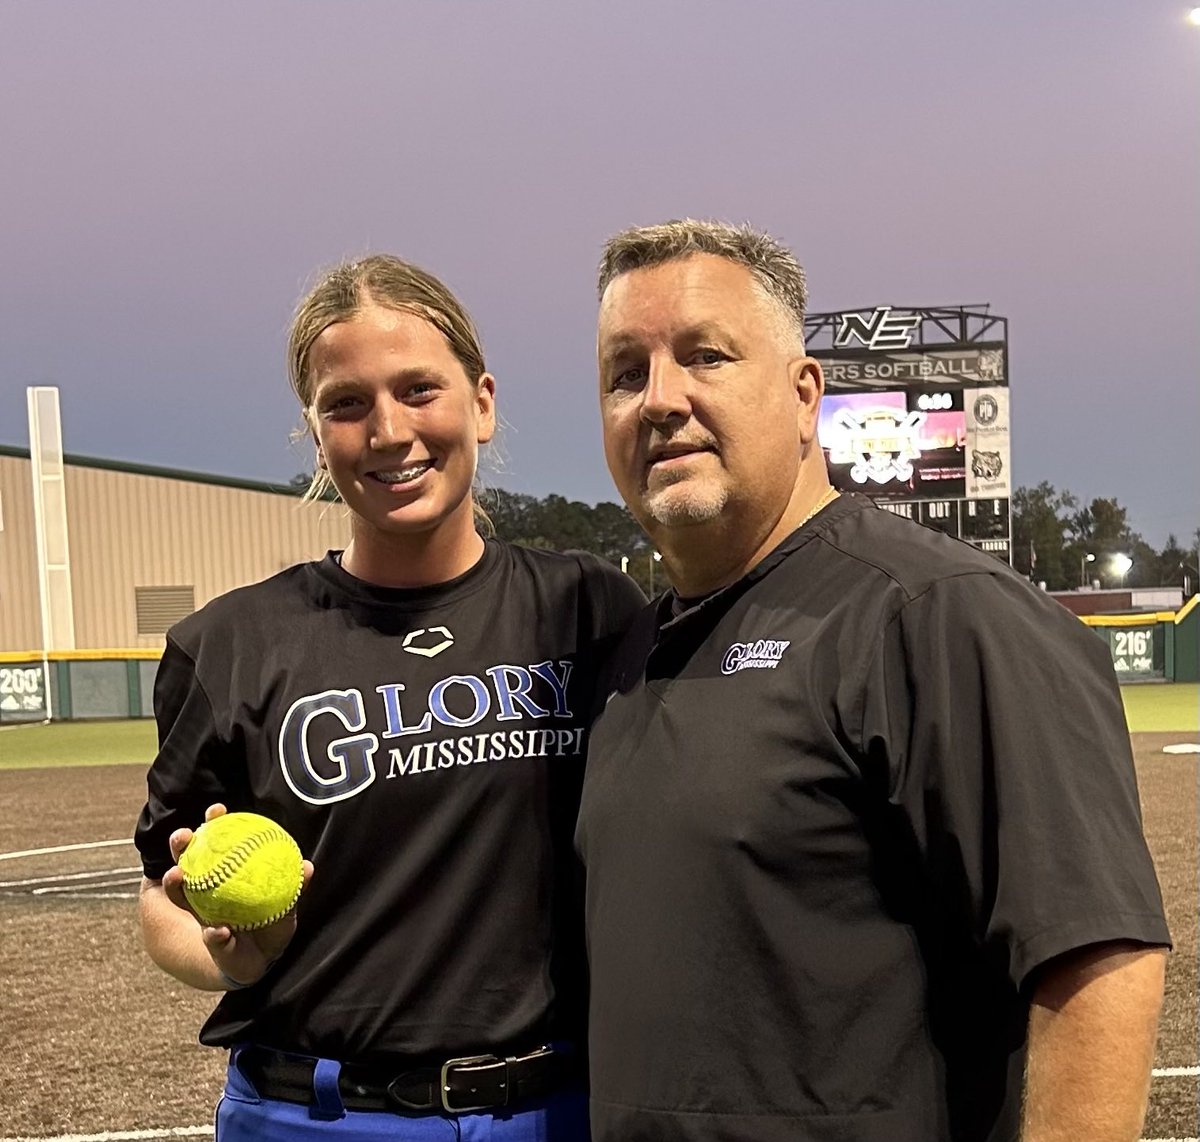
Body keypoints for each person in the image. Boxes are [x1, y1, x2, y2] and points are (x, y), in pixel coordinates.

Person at [575, 219, 1169, 1142]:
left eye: (706, 357)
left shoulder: (939, 611)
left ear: (803, 393)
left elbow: (1099, 961)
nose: (659, 399)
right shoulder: (628, 652)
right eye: (625, 372)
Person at [135, 254, 645, 1141]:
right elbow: (162, 896)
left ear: (481, 403)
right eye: (346, 403)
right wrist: (232, 959)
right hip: (317, 1115)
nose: (388, 430)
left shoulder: (589, 608)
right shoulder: (230, 644)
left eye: (418, 390)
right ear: (316, 434)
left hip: (557, 1109)